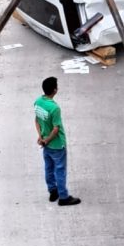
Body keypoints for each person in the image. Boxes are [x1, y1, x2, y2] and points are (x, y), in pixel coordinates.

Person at [34, 76, 80, 206]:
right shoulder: (54, 108)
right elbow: (55, 129)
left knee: (49, 168)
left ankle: (52, 191)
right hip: (57, 144)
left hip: (45, 144)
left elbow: (36, 120)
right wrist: (47, 140)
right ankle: (63, 197)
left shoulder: (38, 102)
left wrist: (41, 138)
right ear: (55, 90)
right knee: (60, 169)